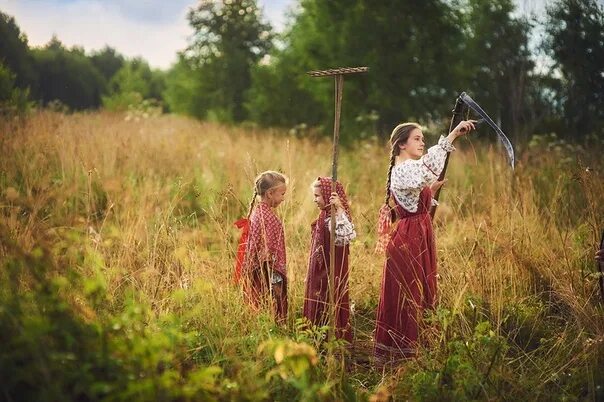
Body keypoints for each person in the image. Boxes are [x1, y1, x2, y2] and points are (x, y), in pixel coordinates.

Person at [374, 120, 475, 363]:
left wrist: (430, 190)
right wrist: (450, 137)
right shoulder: (403, 169)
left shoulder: (408, 169)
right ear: (401, 144)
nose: (422, 142)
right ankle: (402, 351)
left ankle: (420, 347)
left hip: (418, 234)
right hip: (409, 239)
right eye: (417, 138)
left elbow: (417, 194)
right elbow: (426, 169)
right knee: (410, 292)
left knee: (421, 289)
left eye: (422, 138)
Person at [303, 177, 356, 342]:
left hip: (331, 272)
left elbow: (345, 237)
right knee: (318, 301)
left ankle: (331, 340)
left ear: (329, 195)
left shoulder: (335, 218)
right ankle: (316, 339)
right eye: (314, 195)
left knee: (330, 301)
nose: (315, 200)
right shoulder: (323, 216)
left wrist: (339, 209)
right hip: (319, 273)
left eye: (318, 196)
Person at [235, 170, 288, 323]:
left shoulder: (258, 213)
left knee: (260, 305)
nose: (283, 199)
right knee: (268, 306)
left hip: (260, 270)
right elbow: (267, 251)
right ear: (270, 193)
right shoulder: (266, 218)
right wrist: (276, 278)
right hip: (267, 272)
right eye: (282, 194)